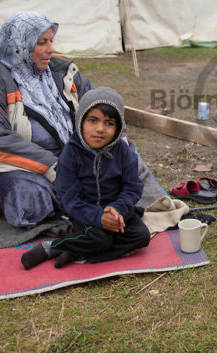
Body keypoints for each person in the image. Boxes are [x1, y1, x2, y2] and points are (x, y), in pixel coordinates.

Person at [0, 11, 93, 228]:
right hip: (17, 165)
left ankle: (74, 198)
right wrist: (56, 168)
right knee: (29, 197)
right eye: (42, 42)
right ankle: (72, 200)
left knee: (125, 160)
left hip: (70, 156)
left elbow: (95, 107)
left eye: (51, 41)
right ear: (20, 45)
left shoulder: (61, 71)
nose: (51, 49)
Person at [21, 87, 151, 269]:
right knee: (100, 238)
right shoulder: (71, 153)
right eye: (93, 120)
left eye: (109, 123)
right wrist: (98, 217)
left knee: (141, 236)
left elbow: (132, 187)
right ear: (81, 120)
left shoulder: (123, 151)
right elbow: (68, 198)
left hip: (117, 211)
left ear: (119, 127)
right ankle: (53, 247)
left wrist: (117, 209)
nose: (100, 129)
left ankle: (77, 252)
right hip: (85, 212)